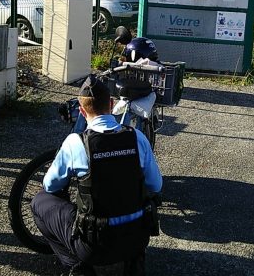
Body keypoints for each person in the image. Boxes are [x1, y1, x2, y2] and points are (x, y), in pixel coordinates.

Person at [32, 76, 163, 276]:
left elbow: (50, 185)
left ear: (82, 112)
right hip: (136, 238)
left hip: (95, 245)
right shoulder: (137, 138)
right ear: (111, 104)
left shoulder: (76, 143)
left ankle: (77, 265)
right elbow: (156, 185)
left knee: (40, 201)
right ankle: (132, 260)